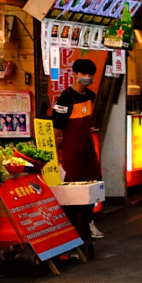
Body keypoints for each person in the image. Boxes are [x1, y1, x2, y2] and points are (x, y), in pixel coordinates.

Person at [51, 59, 106, 239]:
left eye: (90, 74)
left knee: (92, 184)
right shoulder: (65, 97)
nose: (87, 77)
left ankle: (89, 222)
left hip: (87, 148)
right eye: (83, 74)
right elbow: (57, 126)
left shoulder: (90, 95)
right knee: (72, 190)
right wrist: (55, 149)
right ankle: (72, 228)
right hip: (71, 150)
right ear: (75, 74)